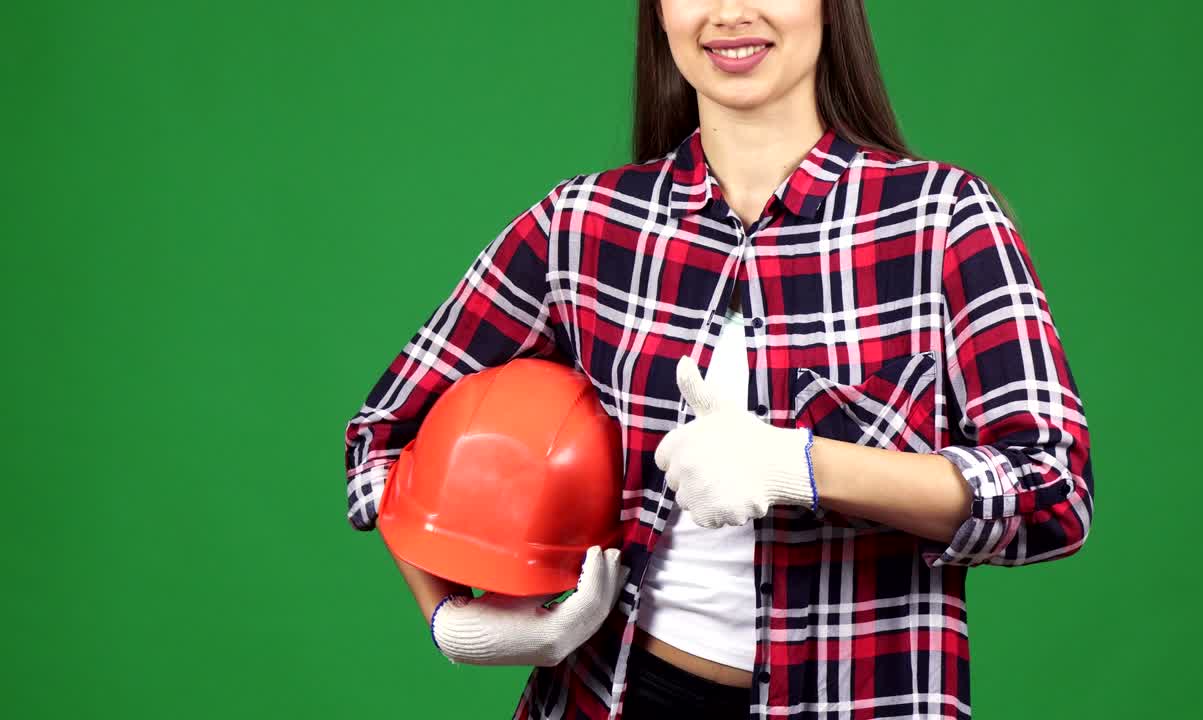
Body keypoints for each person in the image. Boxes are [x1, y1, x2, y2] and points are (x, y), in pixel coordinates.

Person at [342, 1, 1094, 718]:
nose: (730, 12)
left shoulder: (942, 219)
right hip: (614, 698)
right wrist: (454, 620)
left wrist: (801, 466)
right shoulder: (582, 226)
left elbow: (1053, 486)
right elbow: (382, 436)